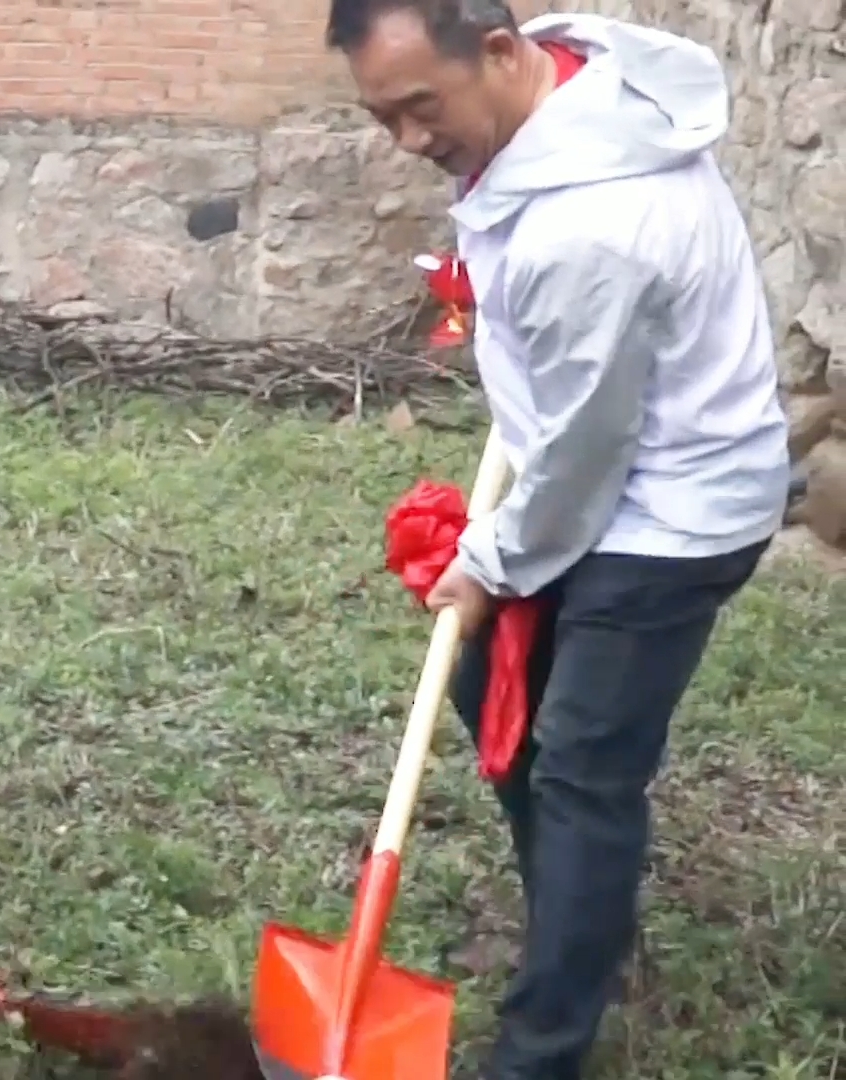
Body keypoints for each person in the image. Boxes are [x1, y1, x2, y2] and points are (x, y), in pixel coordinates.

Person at [325, 2, 789, 1078]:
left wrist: (486, 562)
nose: (409, 140)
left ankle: (541, 1047)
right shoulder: (563, 80)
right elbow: (578, 420)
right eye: (383, 116)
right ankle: (579, 918)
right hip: (600, 467)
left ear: (497, 54)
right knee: (489, 682)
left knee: (581, 765)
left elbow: (588, 457)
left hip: (675, 514)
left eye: (422, 108)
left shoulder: (594, 227)